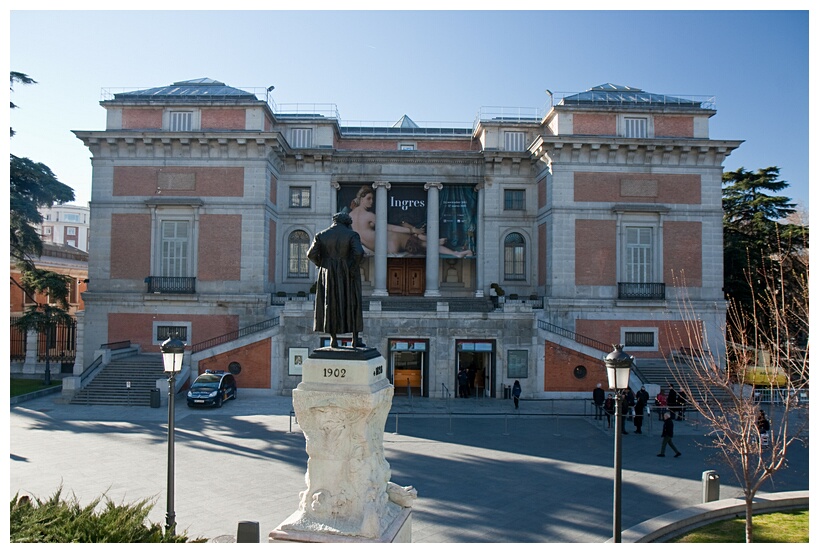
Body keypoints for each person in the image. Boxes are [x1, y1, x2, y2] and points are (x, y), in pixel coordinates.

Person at [346, 185, 473, 258]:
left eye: (372, 199)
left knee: (420, 239)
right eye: (369, 198)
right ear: (361, 198)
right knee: (423, 242)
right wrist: (411, 229)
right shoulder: (368, 215)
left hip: (381, 247)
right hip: (392, 241)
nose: (371, 202)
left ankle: (432, 240)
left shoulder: (350, 216)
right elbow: (390, 227)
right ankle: (455, 253)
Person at [307, 212, 365, 349]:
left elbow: (310, 254)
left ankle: (333, 339)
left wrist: (322, 264)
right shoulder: (352, 235)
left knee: (330, 302)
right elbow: (359, 252)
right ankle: (355, 339)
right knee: (353, 302)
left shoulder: (321, 235)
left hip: (328, 273)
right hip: (348, 273)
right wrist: (351, 267)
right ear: (347, 222)